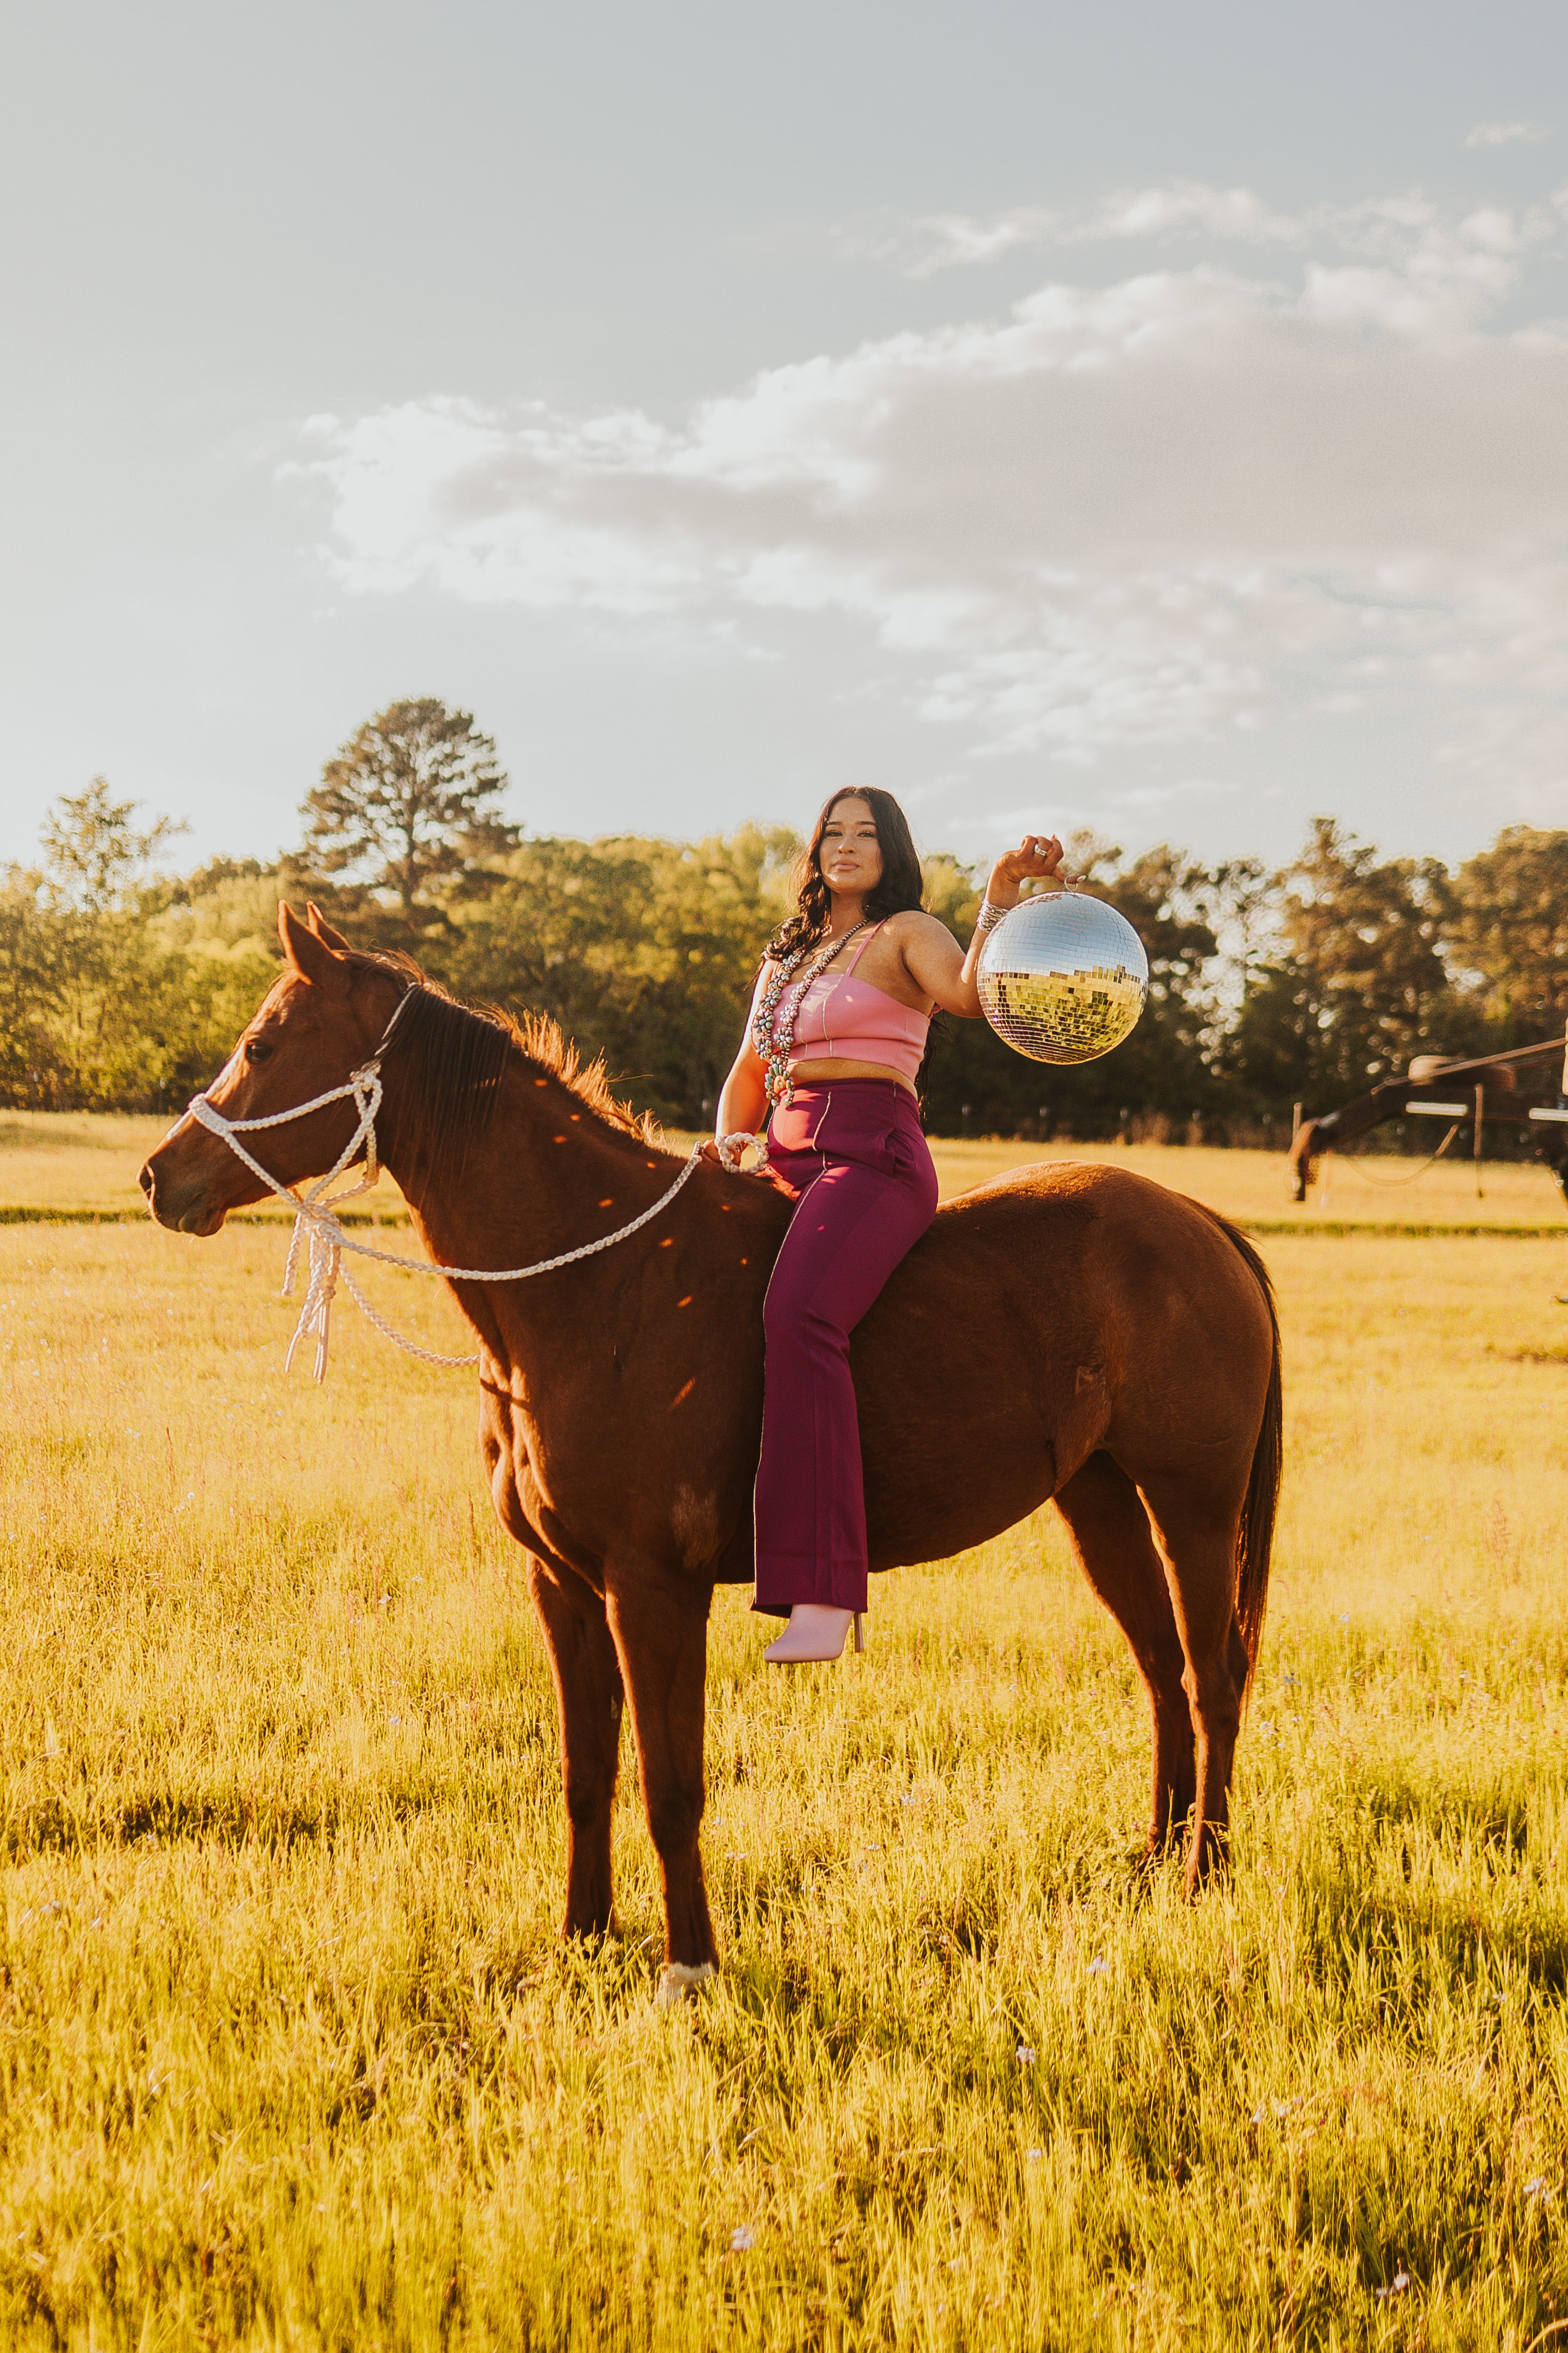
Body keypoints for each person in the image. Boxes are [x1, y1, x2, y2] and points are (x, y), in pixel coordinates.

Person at [708, 789, 1067, 1664]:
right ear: (813, 850)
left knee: (801, 1317)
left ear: (891, 850)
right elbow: (750, 1071)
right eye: (833, 831)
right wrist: (730, 1137)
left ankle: (825, 1594)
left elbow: (971, 996)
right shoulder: (786, 956)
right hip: (781, 1151)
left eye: (866, 834)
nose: (846, 845)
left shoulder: (909, 932)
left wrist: (998, 891)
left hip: (870, 1156)